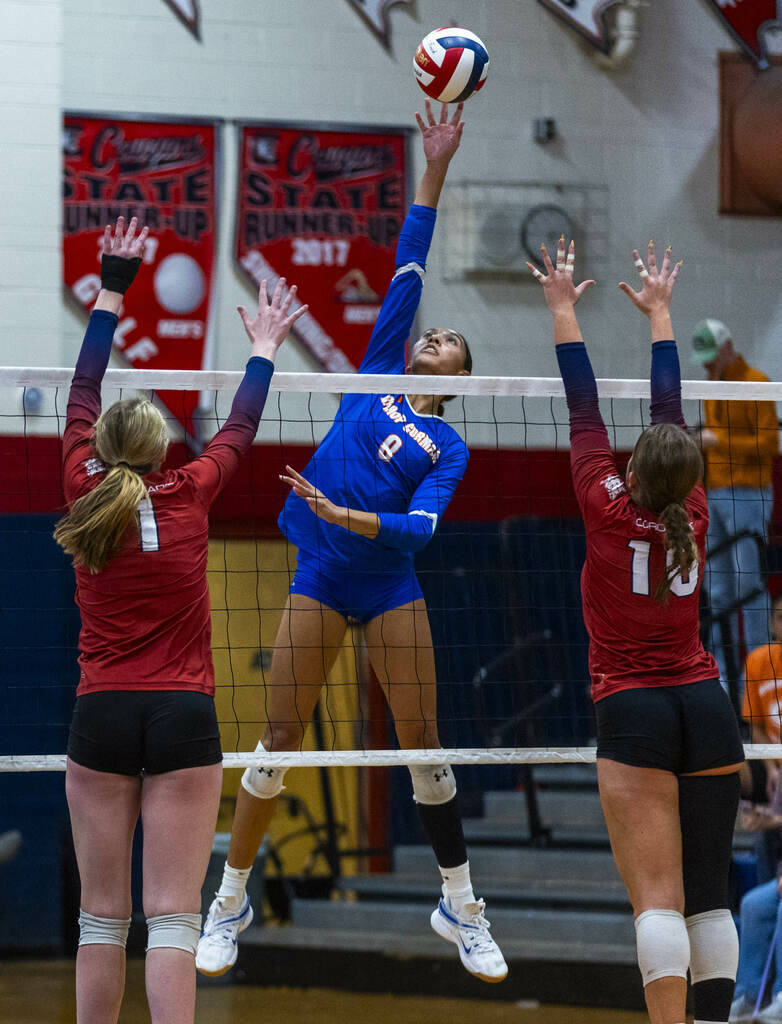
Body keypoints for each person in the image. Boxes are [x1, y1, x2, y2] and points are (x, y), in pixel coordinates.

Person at [196, 101, 507, 985]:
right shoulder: (379, 361)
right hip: (323, 574)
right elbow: (411, 251)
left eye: (450, 343)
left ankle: (461, 903)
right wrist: (435, 161)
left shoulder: (449, 445)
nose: (435, 336)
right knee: (278, 739)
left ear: (460, 381)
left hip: (387, 580)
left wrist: (351, 517)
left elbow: (423, 528)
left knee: (426, 745)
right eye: (433, 334)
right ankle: (230, 901)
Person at [56, 215, 306, 1024]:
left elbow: (82, 385)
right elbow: (242, 424)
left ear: (99, 446)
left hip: (102, 713)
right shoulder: (195, 488)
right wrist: (264, 343)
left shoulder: (80, 486)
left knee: (102, 916)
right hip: (183, 718)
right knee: (172, 916)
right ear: (163, 450)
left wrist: (113, 284)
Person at [529, 238, 745, 1024]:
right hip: (707, 706)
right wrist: (661, 313)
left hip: (635, 710)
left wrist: (562, 308)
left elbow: (582, 404)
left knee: (657, 900)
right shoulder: (695, 509)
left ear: (635, 470)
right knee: (709, 897)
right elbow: (668, 410)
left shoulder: (603, 500)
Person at [691, 318, 778, 695]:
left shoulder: (756, 384)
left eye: (712, 358)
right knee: (719, 592)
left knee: (749, 586)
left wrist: (715, 440)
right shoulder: (712, 385)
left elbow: (769, 445)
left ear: (728, 347)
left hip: (749, 494)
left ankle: (758, 677)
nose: (707, 366)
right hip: (717, 493)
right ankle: (723, 682)